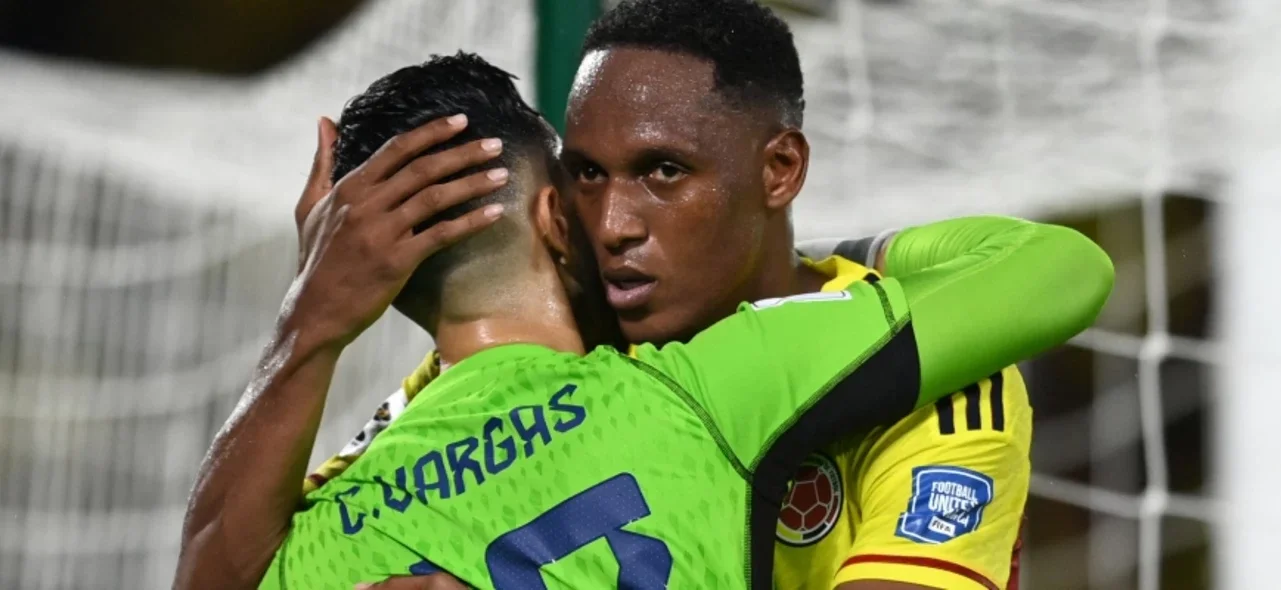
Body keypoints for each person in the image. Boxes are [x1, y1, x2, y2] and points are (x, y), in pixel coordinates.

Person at [175, 53, 1113, 590]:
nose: (618, 220)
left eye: (655, 175)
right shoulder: (707, 383)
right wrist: (793, 267)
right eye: (586, 181)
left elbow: (210, 567)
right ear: (554, 218)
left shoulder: (319, 520)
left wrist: (308, 326)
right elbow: (1059, 272)